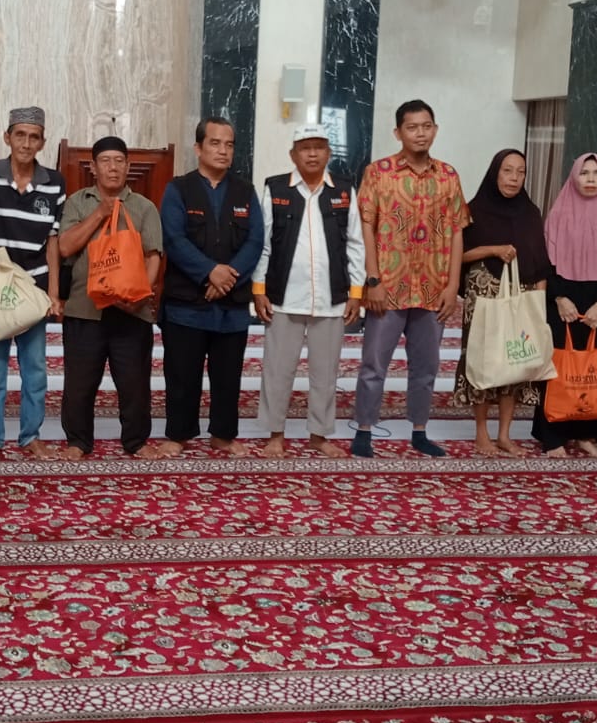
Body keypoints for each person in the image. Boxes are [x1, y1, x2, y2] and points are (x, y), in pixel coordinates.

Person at [352, 100, 468, 458]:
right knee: (374, 364)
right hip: (388, 287)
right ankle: (364, 431)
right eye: (412, 127)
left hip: (433, 288)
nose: (420, 133)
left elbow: (457, 231)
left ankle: (419, 430)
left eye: (426, 126)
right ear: (398, 132)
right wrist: (372, 280)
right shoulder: (379, 172)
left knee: (426, 367)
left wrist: (453, 285)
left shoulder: (448, 175)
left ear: (435, 129)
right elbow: (365, 227)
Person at [251, 123, 364, 458]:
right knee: (277, 371)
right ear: (293, 154)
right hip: (283, 297)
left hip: (331, 297)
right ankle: (275, 434)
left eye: (319, 147)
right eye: (305, 148)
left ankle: (319, 435)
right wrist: (259, 289)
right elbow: (264, 243)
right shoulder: (276, 188)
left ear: (329, 153)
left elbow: (355, 244)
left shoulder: (344, 190)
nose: (312, 154)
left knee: (325, 374)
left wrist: (356, 291)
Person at [0, 106, 66, 461]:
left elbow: (53, 239)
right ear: (7, 137)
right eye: (19, 135)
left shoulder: (55, 183)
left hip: (34, 288)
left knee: (35, 369)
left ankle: (30, 436)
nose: (26, 143)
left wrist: (54, 293)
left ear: (42, 142)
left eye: (33, 137)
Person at [57, 136, 172, 460]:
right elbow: (65, 247)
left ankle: (136, 441)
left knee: (134, 383)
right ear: (93, 168)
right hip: (85, 309)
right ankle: (78, 441)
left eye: (119, 161)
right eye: (105, 161)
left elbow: (153, 256)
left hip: (132, 311)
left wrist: (141, 295)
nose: (113, 167)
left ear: (128, 166)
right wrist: (99, 214)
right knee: (79, 384)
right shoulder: (78, 202)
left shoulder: (144, 207)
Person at [160, 117, 264, 456]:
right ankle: (178, 434)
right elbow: (173, 239)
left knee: (228, 376)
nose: (223, 151)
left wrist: (227, 277)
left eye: (229, 144)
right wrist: (209, 272)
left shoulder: (245, 191)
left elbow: (255, 241)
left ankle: (223, 434)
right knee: (182, 374)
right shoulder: (178, 189)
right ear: (198, 148)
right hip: (187, 303)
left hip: (231, 306)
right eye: (215, 143)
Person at [531, 153, 597, 458]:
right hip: (562, 302)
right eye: (584, 172)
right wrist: (559, 298)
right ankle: (553, 436)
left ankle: (587, 434)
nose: (590, 179)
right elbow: (546, 263)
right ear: (573, 176)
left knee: (594, 371)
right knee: (558, 368)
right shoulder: (559, 213)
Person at [452, 149, 551, 457]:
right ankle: (482, 434)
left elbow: (541, 261)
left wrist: (540, 304)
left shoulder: (530, 212)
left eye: (520, 172)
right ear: (495, 173)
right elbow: (458, 255)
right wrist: (492, 250)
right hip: (484, 294)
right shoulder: (474, 210)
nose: (514, 178)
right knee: (484, 361)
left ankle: (505, 435)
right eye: (507, 171)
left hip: (521, 296)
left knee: (514, 361)